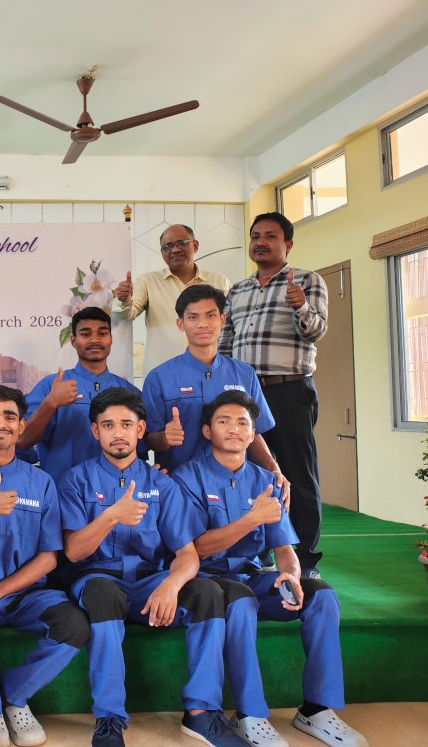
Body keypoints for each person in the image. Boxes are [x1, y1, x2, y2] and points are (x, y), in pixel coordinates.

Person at [175, 391, 367, 747]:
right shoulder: (187, 477)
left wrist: (291, 576)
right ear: (206, 431)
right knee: (241, 600)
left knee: (322, 596)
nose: (234, 428)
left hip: (251, 577)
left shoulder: (266, 480)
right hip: (204, 582)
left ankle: (316, 709)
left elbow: (284, 549)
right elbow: (194, 549)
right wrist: (251, 519)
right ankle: (250, 715)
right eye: (224, 421)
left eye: (243, 422)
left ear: (253, 433)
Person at [59, 387, 246, 747]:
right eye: (108, 425)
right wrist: (112, 516)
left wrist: (171, 585)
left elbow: (187, 553)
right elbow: (74, 551)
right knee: (101, 593)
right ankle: (109, 719)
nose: (118, 433)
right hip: (97, 577)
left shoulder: (161, 483)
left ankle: (202, 714)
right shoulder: (75, 479)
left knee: (207, 592)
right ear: (95, 431)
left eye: (126, 424)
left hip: (150, 582)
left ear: (141, 429)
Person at [0, 385, 87, 747]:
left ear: (22, 426)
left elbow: (49, 557)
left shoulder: (42, 482)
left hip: (25, 595)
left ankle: (13, 696)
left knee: (75, 625)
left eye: (10, 416)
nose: (0, 423)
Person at [219, 212, 328, 579]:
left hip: (288, 389)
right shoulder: (238, 290)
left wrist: (300, 305)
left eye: (270, 236)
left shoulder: (308, 281)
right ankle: (260, 553)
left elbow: (316, 332)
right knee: (253, 473)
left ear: (288, 244)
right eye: (255, 236)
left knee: (297, 473)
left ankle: (306, 559)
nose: (261, 242)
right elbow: (227, 342)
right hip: (245, 397)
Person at [143, 285, 285, 489]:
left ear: (222, 320)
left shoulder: (244, 374)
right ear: (180, 324)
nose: (203, 324)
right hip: (179, 485)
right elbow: (148, 439)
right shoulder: (159, 377)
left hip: (236, 485)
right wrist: (165, 437)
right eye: (193, 317)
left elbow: (254, 432)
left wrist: (274, 469)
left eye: (210, 315)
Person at [20, 308, 139, 485]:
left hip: (116, 491)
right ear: (73, 340)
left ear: (111, 339)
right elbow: (23, 441)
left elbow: (139, 450)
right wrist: (51, 402)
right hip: (62, 491)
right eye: (85, 334)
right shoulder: (50, 386)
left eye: (102, 333)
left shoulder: (130, 392)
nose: (95, 340)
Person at [112, 224, 231, 373]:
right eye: (167, 246)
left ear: (195, 245)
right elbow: (126, 314)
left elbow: (228, 327)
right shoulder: (149, 281)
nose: (175, 250)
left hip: (210, 371)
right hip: (162, 373)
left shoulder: (219, 281)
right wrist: (123, 300)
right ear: (162, 252)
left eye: (182, 243)